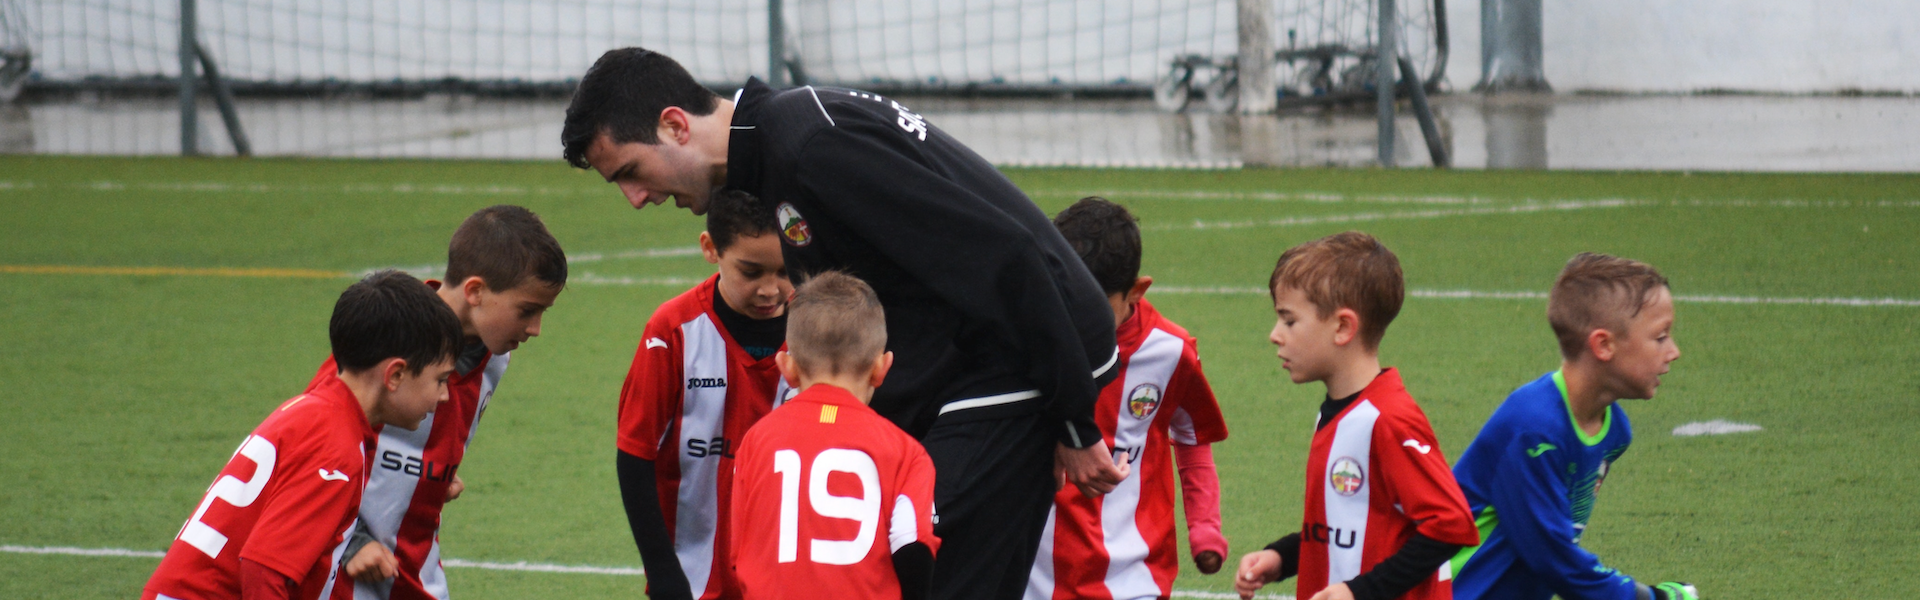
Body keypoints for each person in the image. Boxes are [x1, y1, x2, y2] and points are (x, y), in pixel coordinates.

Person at [562, 48, 1125, 600]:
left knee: (908, 566)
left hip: (1024, 361)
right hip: (989, 364)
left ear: (675, 125)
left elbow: (1008, 255)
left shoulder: (813, 147)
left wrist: (1071, 421)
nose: (636, 198)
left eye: (631, 172)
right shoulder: (781, 149)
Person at [143, 271, 464, 600]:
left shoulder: (318, 411)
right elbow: (263, 569)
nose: (444, 397)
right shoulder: (336, 449)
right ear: (394, 374)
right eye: (440, 380)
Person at [320, 205, 567, 600]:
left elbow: (427, 443)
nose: (535, 329)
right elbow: (308, 452)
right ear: (475, 292)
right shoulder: (387, 328)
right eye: (528, 310)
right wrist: (353, 541)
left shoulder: (495, 355)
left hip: (416, 575)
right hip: (346, 575)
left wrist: (433, 478)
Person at [1232, 232, 1480, 600]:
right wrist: (1281, 557)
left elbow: (1451, 525)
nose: (1275, 335)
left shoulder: (1388, 419)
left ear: (1343, 327)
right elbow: (1344, 527)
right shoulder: (1338, 413)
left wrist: (1361, 591)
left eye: (1289, 321)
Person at [1447, 253, 1696, 600]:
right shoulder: (1536, 430)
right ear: (1603, 345)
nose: (1674, 351)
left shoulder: (1614, 430)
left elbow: (1558, 550)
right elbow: (1553, 559)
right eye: (1660, 337)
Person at [1026, 198, 1230, 600]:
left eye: (1093, 309)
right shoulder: (1027, 338)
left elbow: (1193, 437)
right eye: (1066, 303)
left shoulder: (1169, 351)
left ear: (1136, 291)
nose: (1076, 323)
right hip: (1033, 575)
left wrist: (1204, 526)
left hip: (1133, 579)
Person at [617, 189, 794, 600]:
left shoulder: (817, 330)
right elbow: (635, 455)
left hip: (785, 573)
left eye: (785, 271)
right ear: (710, 248)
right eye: (751, 272)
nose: (770, 290)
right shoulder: (673, 331)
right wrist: (661, 567)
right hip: (693, 576)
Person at [729, 272, 940, 600]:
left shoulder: (756, 442)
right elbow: (912, 548)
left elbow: (740, 551)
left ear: (786, 366)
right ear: (882, 368)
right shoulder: (906, 452)